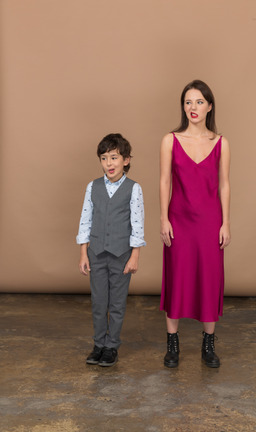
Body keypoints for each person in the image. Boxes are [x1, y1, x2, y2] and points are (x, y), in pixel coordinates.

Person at [160, 80, 231, 368]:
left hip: (210, 221)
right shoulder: (170, 140)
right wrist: (163, 217)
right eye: (188, 102)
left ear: (209, 106)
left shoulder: (221, 143)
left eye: (199, 102)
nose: (193, 107)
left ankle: (208, 345)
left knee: (209, 278)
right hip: (179, 219)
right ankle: (172, 345)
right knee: (177, 277)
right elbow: (165, 181)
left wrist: (226, 222)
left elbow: (225, 185)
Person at [76, 133, 146, 367]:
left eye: (114, 158)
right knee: (98, 301)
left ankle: (112, 345)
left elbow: (137, 225)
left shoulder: (133, 189)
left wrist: (134, 256)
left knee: (116, 303)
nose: (109, 164)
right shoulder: (92, 187)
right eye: (104, 158)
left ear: (125, 160)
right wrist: (83, 253)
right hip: (96, 253)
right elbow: (85, 220)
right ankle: (98, 344)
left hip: (121, 256)